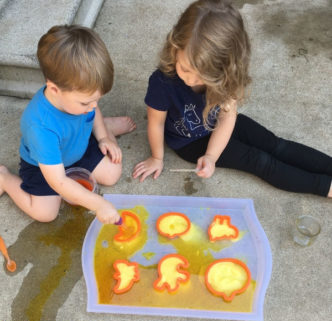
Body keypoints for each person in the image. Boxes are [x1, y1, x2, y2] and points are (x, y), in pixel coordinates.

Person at [133, 0, 332, 197]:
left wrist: (214, 152)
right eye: (184, 68)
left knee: (275, 144)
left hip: (220, 122)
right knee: (259, 161)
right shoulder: (163, 82)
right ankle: (325, 187)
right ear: (175, 47)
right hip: (190, 141)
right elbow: (156, 123)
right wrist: (159, 158)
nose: (190, 79)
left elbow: (227, 117)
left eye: (202, 76)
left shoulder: (226, 76)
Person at [0, 25, 136, 223]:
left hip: (76, 145)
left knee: (112, 173)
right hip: (45, 165)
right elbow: (59, 181)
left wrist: (104, 137)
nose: (94, 106)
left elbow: (92, 108)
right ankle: (4, 179)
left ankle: (102, 127)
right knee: (45, 214)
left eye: (96, 100)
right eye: (86, 102)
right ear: (54, 89)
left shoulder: (77, 100)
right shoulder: (41, 128)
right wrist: (98, 204)